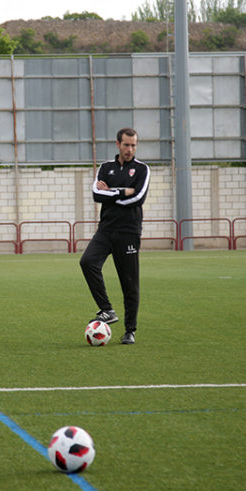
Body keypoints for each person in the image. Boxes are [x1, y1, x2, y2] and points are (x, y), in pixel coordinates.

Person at [79, 127, 150, 345]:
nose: (130, 149)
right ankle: (107, 310)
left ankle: (130, 330)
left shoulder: (142, 170)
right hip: (106, 230)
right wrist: (122, 191)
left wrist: (111, 192)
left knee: (129, 283)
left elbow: (138, 198)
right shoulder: (105, 168)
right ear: (117, 144)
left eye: (134, 145)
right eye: (126, 144)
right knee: (87, 262)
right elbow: (95, 194)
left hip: (129, 232)